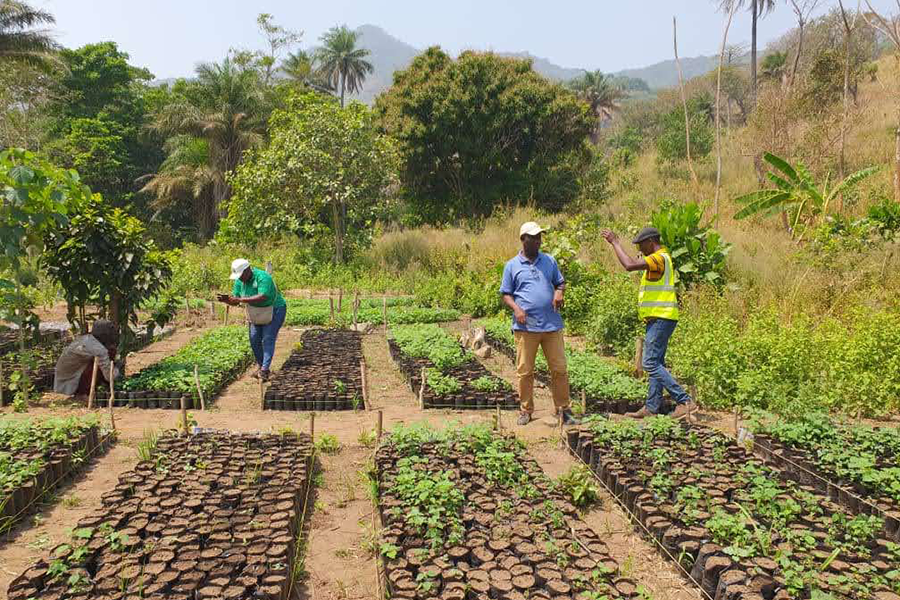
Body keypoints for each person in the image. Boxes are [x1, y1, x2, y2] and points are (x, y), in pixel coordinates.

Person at [601, 226, 696, 419]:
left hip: (662, 317)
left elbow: (628, 265)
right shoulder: (661, 259)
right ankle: (652, 407)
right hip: (659, 318)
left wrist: (615, 242)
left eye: (641, 245)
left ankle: (685, 401)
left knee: (650, 363)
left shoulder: (659, 257)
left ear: (651, 242)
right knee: (657, 362)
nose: (640, 249)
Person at [500, 222, 580, 427]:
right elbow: (506, 294)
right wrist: (517, 309)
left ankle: (563, 409)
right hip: (526, 327)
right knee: (525, 371)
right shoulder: (512, 265)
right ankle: (526, 410)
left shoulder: (549, 261)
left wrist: (559, 291)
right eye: (533, 237)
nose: (538, 241)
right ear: (523, 239)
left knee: (559, 369)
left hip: (551, 325)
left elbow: (559, 282)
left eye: (539, 237)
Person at [218, 259, 287, 381]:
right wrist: (228, 300)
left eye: (241, 275)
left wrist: (240, 300)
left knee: (268, 338)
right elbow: (237, 299)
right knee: (254, 339)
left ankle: (265, 370)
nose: (239, 279)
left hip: (274, 310)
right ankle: (262, 367)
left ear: (247, 270)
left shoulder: (262, 277)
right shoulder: (240, 282)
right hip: (256, 313)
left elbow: (263, 296)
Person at [53, 320, 120, 398]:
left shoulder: (86, 339)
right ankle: (83, 393)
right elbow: (109, 376)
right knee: (98, 363)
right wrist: (117, 370)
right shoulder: (98, 349)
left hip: (66, 376)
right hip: (70, 381)